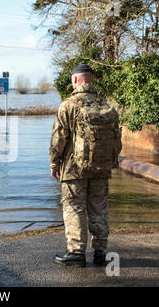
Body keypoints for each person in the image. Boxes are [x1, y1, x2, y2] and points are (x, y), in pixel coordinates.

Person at [49, 64, 122, 267]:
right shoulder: (106, 105)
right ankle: (101, 252)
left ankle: (76, 252)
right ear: (90, 80)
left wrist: (54, 163)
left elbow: (59, 140)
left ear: (75, 80)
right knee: (99, 206)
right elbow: (118, 141)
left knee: (74, 207)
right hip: (101, 167)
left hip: (74, 169)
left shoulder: (68, 105)